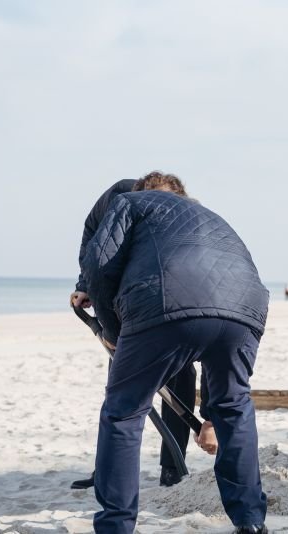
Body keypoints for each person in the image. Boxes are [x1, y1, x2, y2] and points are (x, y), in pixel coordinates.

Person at [82, 179, 269, 534]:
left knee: (124, 411)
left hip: (168, 300)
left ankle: (115, 526)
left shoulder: (130, 202)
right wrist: (210, 415)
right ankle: (251, 521)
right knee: (233, 407)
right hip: (247, 305)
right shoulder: (208, 214)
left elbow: (98, 260)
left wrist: (112, 332)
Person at [69, 172, 217, 490]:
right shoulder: (118, 197)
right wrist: (85, 286)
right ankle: (107, 471)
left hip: (170, 301)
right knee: (122, 388)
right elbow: (92, 240)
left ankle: (172, 467)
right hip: (125, 297)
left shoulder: (189, 211)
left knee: (182, 376)